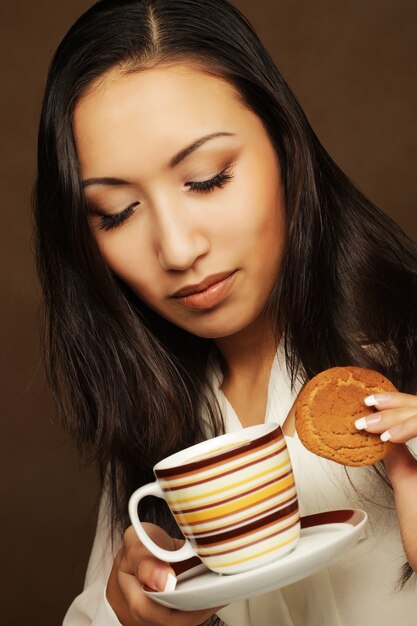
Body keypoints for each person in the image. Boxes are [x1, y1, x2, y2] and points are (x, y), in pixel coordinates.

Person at [33, 0, 417, 624]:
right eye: (117, 213)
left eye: (208, 178)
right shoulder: (152, 436)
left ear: (286, 146)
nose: (179, 249)